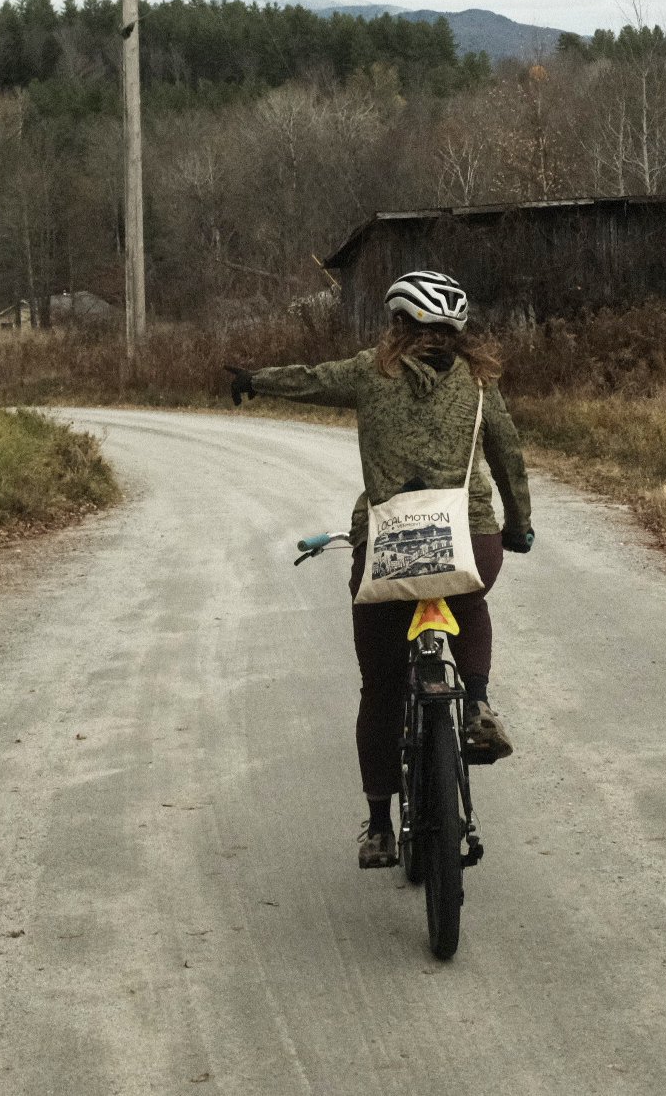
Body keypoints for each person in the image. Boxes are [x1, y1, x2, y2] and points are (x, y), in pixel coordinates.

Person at [228, 270, 535, 870]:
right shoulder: (479, 383)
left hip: (387, 544)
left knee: (382, 686)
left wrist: (253, 379)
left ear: (398, 323)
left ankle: (378, 827)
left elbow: (310, 380)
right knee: (469, 599)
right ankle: (477, 702)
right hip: (470, 537)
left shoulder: (370, 371)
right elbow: (509, 456)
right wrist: (518, 525)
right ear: (458, 332)